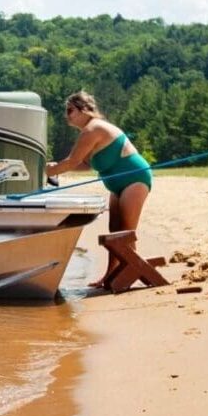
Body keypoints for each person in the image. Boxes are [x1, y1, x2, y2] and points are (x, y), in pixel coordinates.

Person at [47, 91, 152, 289]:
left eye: (70, 110)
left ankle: (130, 272)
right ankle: (110, 274)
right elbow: (84, 165)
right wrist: (54, 167)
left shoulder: (93, 129)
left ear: (83, 109)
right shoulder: (87, 132)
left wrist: (49, 170)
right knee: (114, 231)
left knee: (125, 232)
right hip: (117, 184)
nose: (66, 115)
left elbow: (72, 161)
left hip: (134, 178)